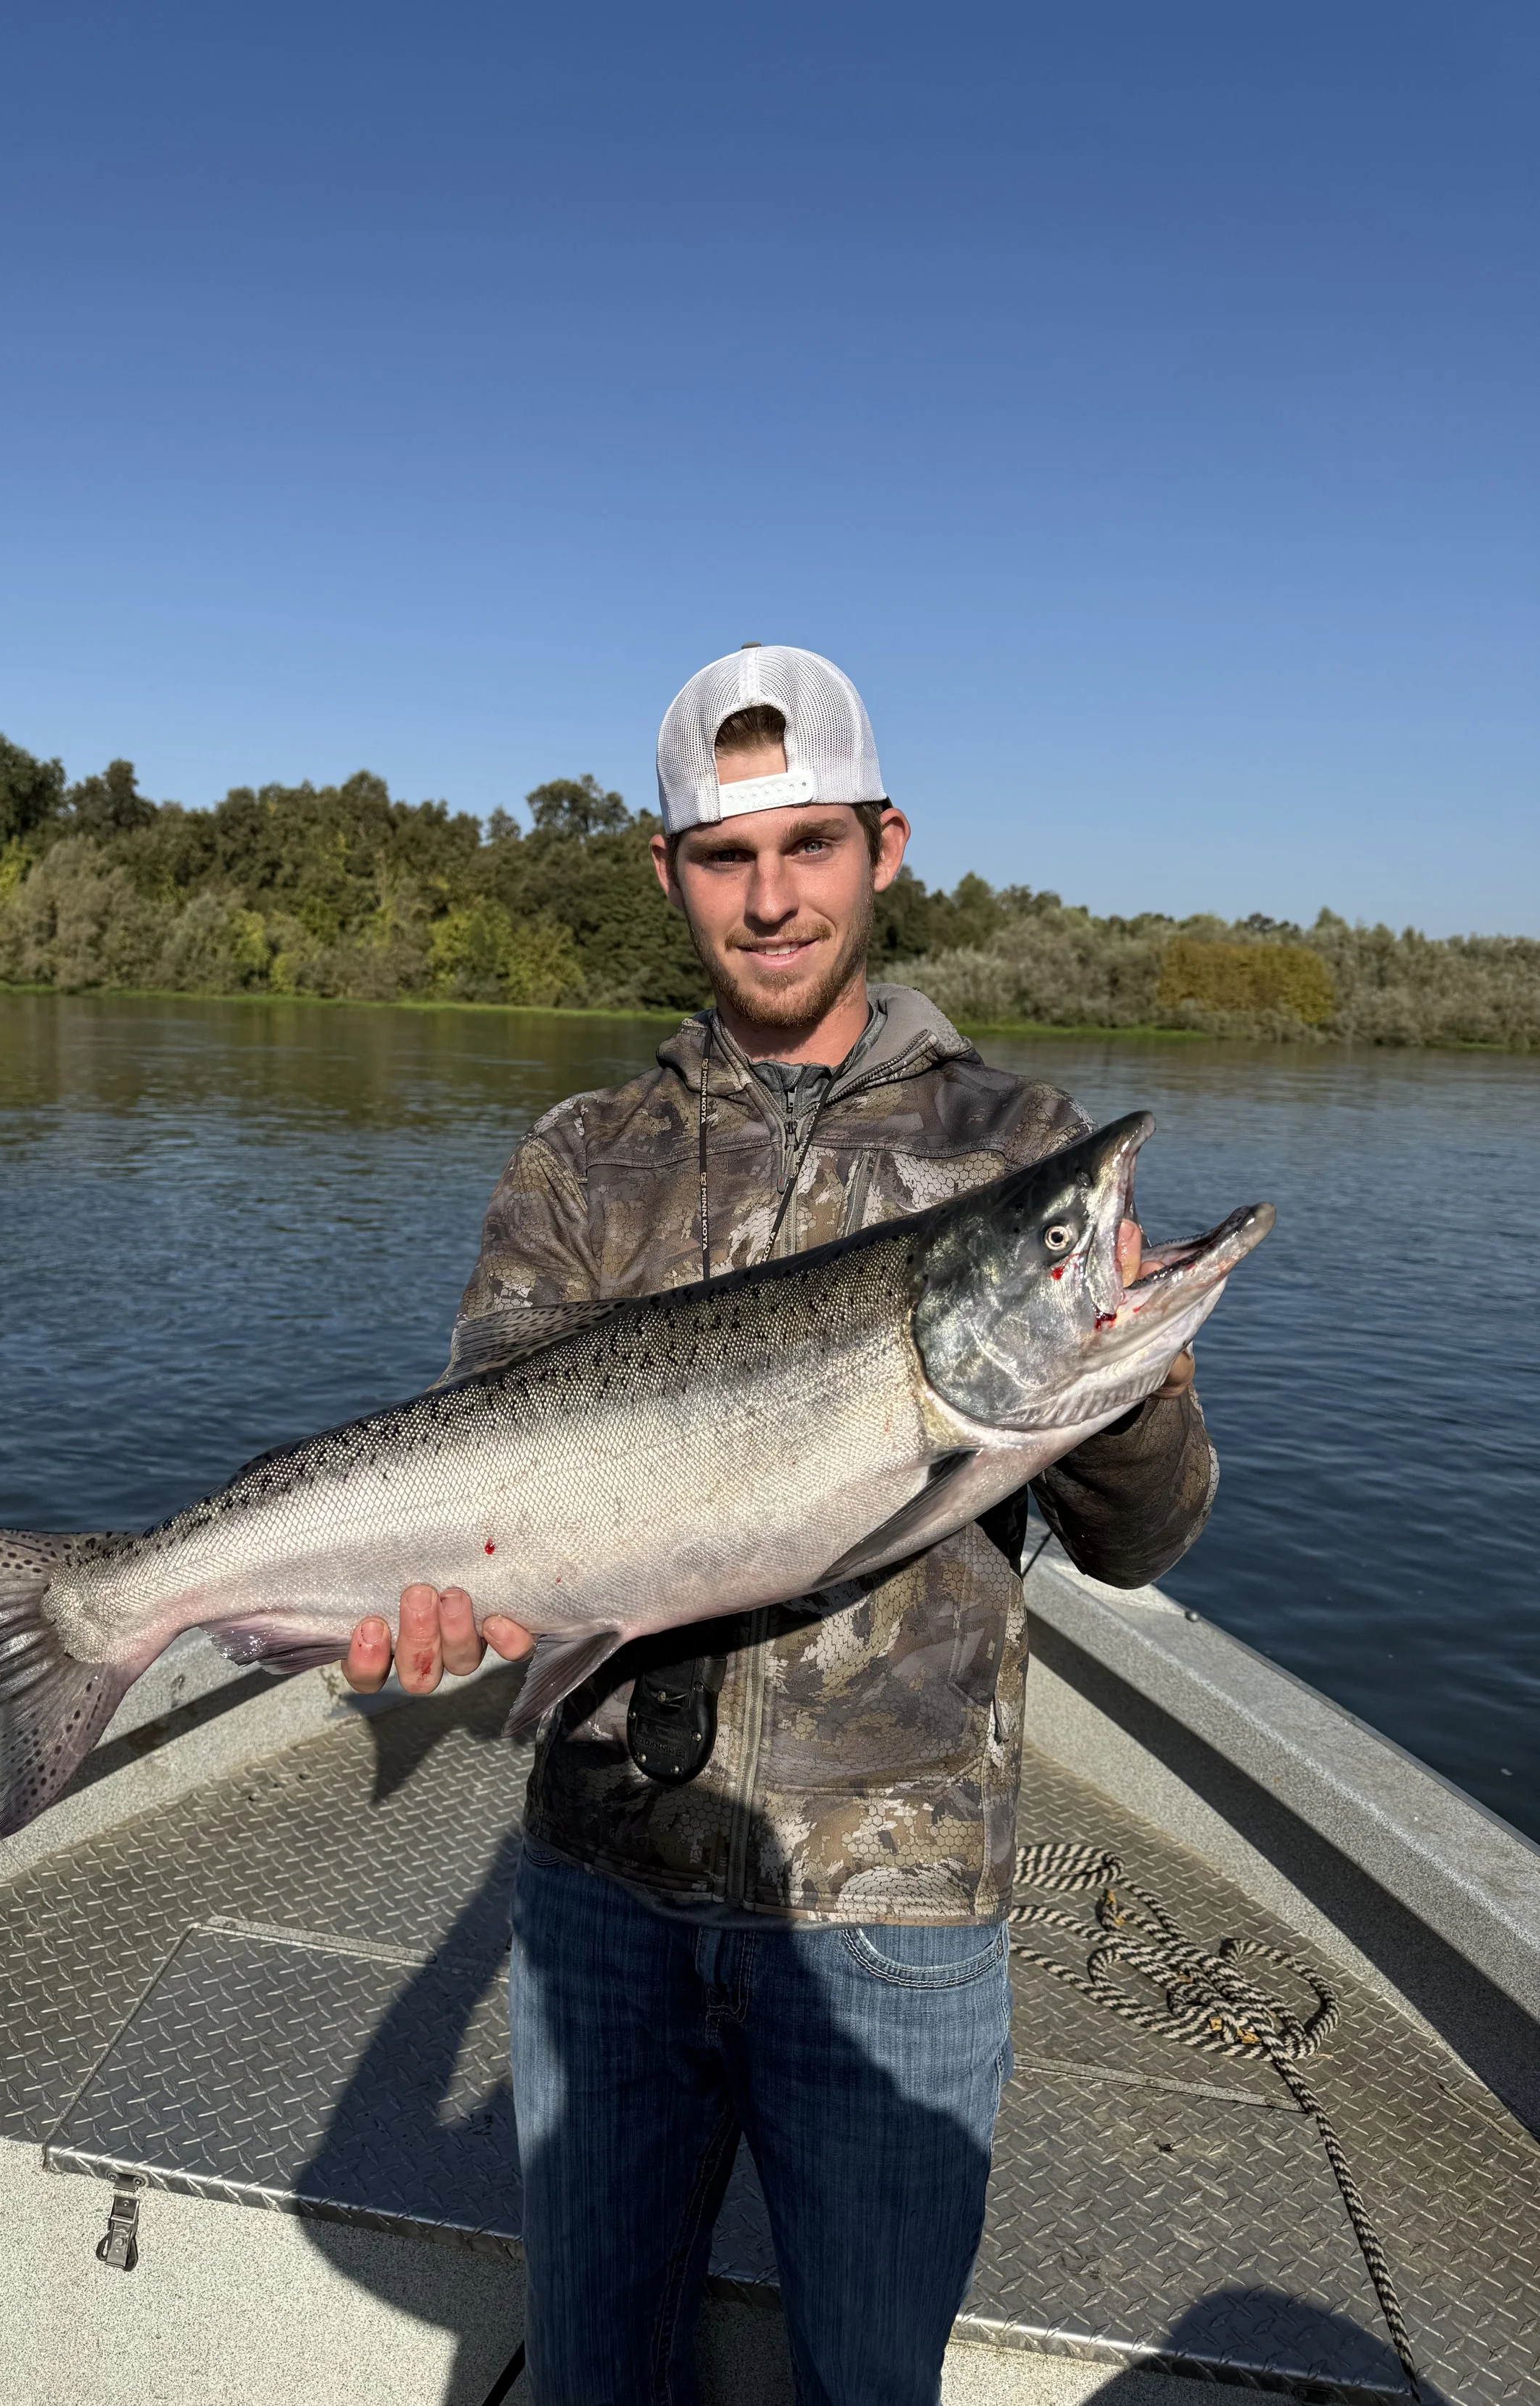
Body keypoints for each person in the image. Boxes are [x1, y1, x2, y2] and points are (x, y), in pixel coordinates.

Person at [344, 645, 1213, 2405]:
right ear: (669, 876)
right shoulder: (585, 1151)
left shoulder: (1013, 1146)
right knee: (593, 2380)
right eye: (725, 858)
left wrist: (1106, 1352)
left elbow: (1138, 1538)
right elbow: (483, 1456)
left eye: (805, 846)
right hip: (601, 1896)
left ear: (881, 847)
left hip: (894, 1916)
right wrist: (436, 1614)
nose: (769, 897)